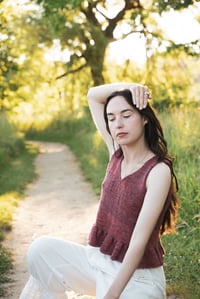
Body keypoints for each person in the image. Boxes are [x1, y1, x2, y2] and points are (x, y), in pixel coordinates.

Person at [19, 82, 179, 299]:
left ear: (144, 118)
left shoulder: (157, 171)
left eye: (126, 115)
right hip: (98, 264)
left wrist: (111, 295)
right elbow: (93, 96)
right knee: (41, 251)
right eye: (111, 118)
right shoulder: (116, 153)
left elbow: (138, 243)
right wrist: (132, 87)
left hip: (137, 278)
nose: (118, 124)